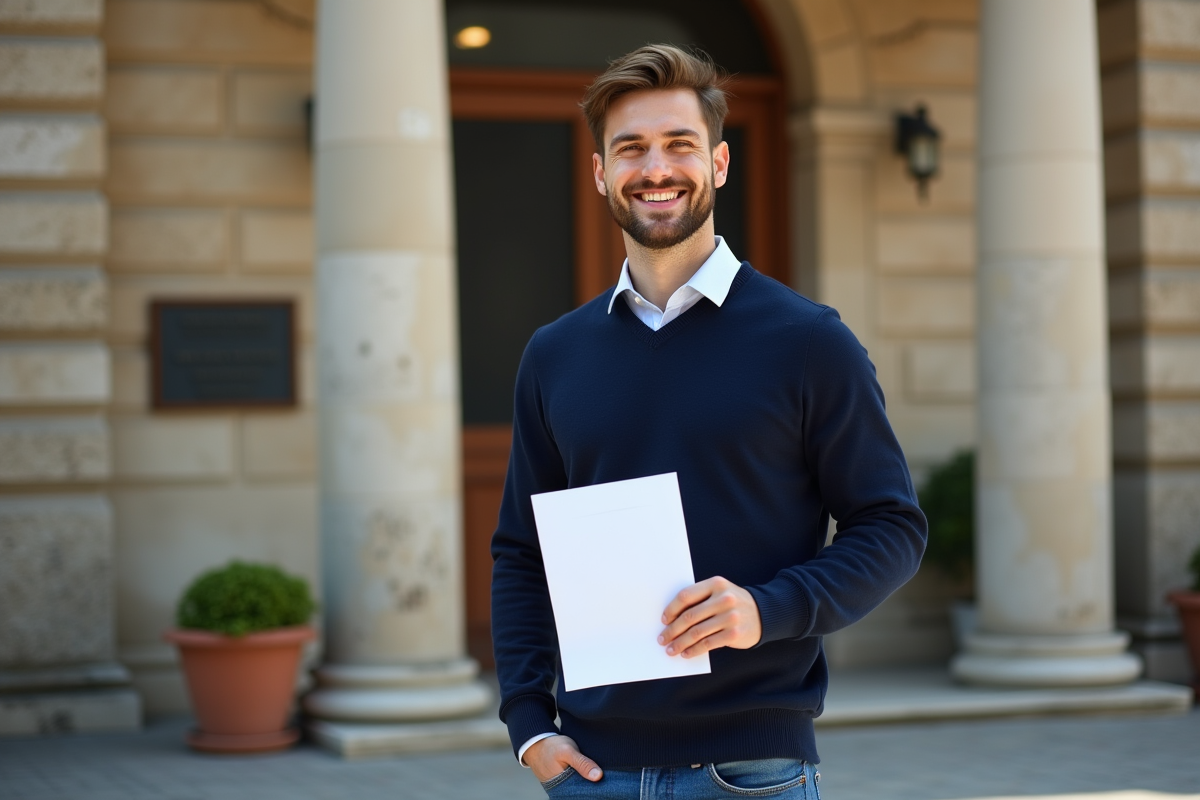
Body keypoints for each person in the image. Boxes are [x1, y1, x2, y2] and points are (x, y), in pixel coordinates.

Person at [490, 44, 927, 799]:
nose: (655, 168)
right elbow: (522, 553)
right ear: (601, 174)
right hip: (593, 774)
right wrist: (529, 725)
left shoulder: (809, 342)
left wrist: (768, 608)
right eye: (630, 149)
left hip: (752, 773)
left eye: (679, 145)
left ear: (719, 164)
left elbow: (891, 526)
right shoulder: (554, 355)